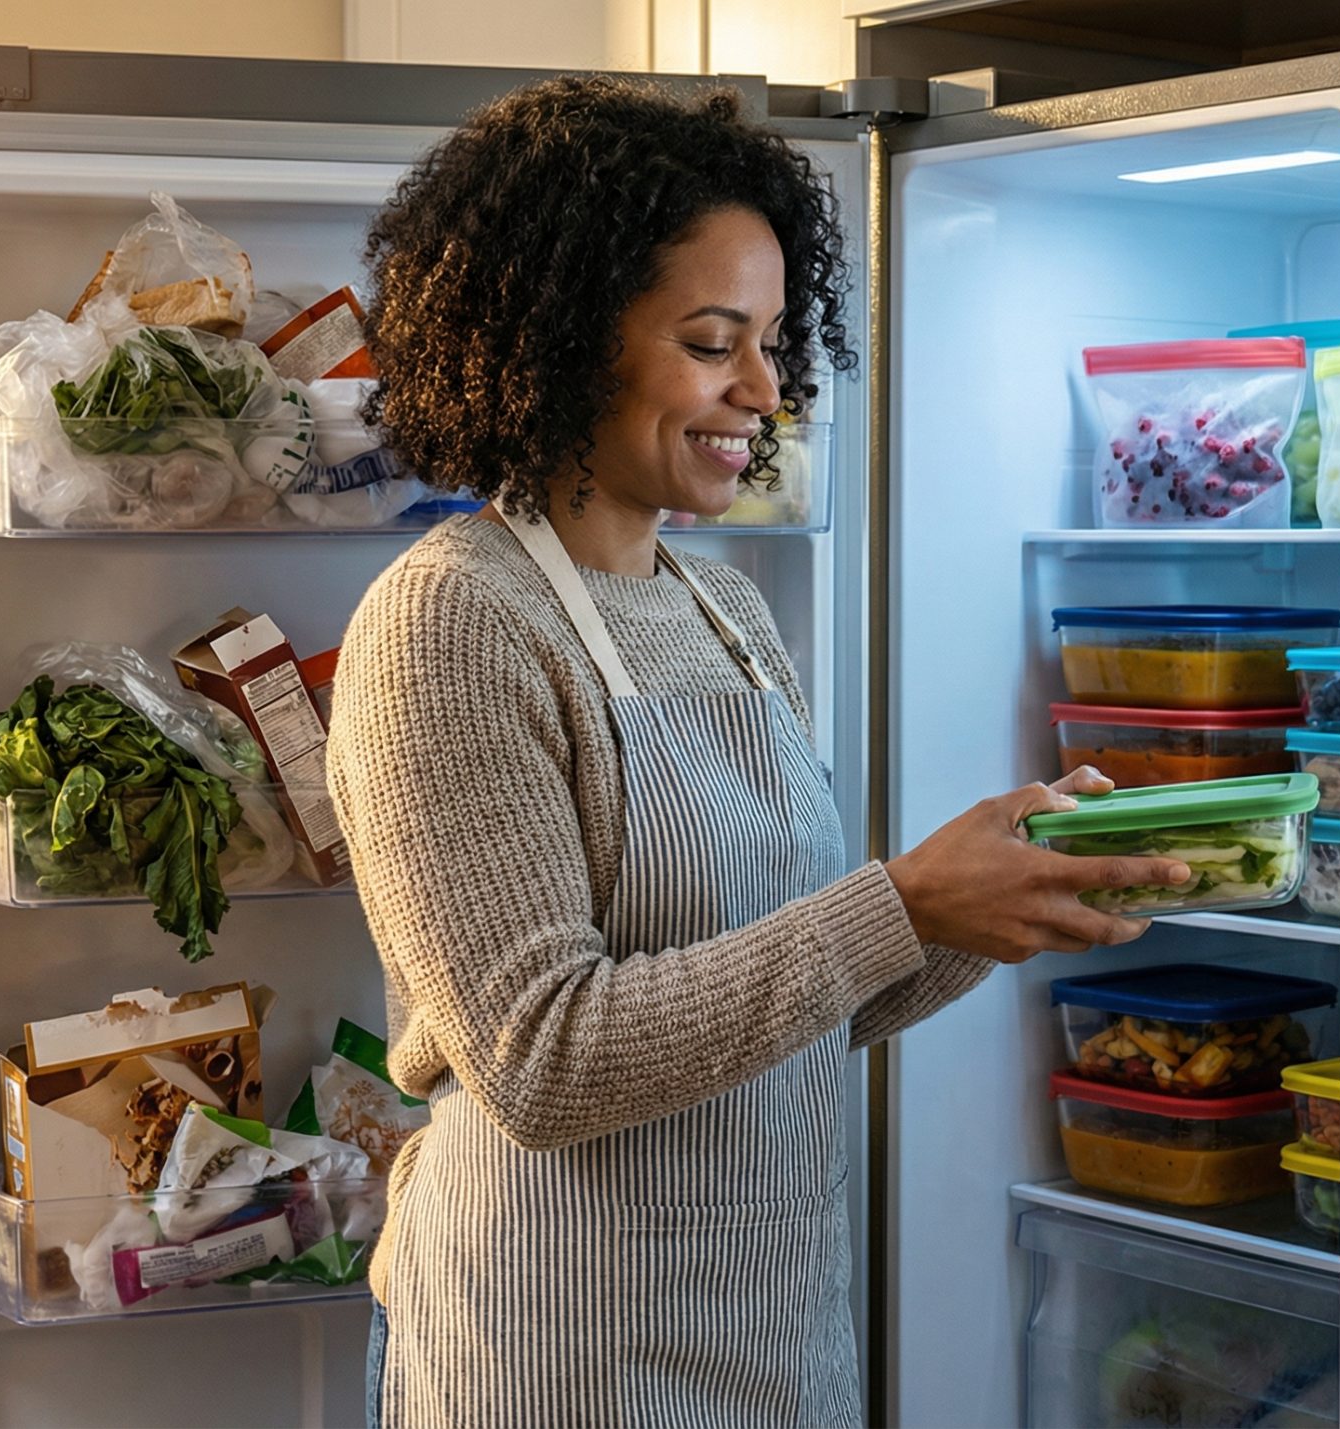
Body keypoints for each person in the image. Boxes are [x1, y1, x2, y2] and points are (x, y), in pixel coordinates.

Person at [325, 76, 1189, 1428]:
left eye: (776, 339)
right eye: (714, 338)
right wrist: (903, 901)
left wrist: (1012, 892)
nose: (765, 389)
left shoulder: (720, 607)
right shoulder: (452, 620)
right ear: (563, 340)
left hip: (771, 1332)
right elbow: (544, 1057)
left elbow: (792, 1004)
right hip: (555, 1355)